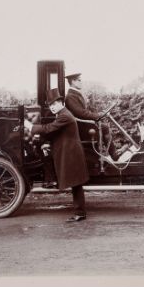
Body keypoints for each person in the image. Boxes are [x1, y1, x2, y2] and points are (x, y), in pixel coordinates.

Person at [24, 88, 89, 222]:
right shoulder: (62, 114)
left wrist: (30, 126)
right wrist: (46, 143)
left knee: (76, 184)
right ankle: (80, 212)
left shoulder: (65, 115)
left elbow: (48, 128)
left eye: (54, 104)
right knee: (75, 183)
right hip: (70, 152)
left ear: (61, 102)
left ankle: (80, 212)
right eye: (50, 105)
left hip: (71, 154)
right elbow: (55, 133)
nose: (52, 108)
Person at [64, 72, 127, 161]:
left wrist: (99, 114)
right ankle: (114, 155)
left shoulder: (74, 94)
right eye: (79, 80)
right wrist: (97, 116)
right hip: (79, 128)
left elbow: (83, 112)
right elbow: (80, 113)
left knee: (104, 126)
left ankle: (113, 153)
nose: (81, 82)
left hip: (81, 125)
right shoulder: (70, 96)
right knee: (104, 128)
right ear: (73, 81)